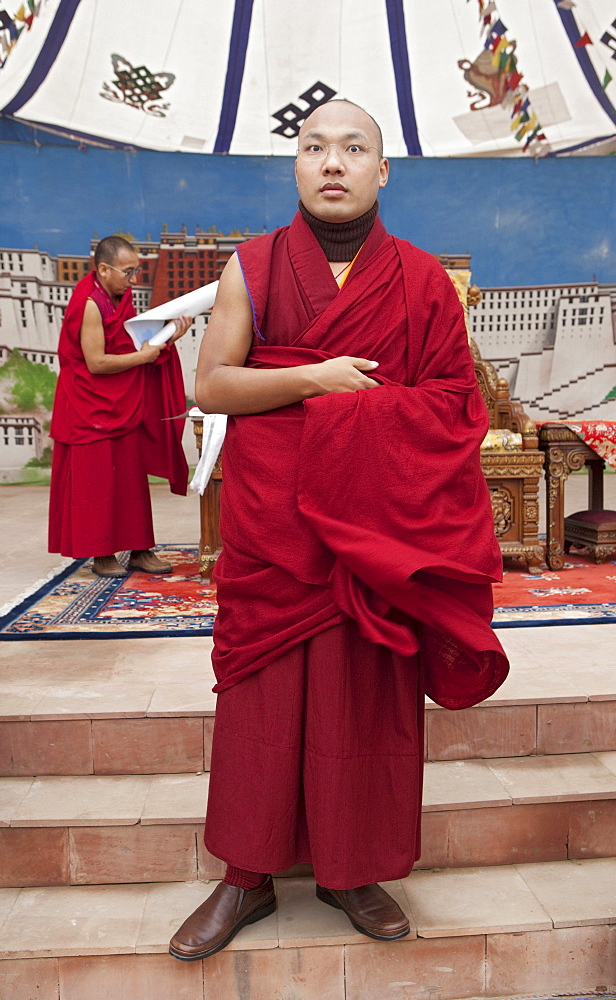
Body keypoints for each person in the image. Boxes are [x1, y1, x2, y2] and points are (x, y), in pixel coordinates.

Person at [169, 100, 509, 961]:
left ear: (381, 170)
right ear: (295, 168)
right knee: (265, 699)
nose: (332, 162)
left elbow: (454, 404)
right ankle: (245, 876)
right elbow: (212, 386)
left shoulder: (423, 279)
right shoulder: (253, 266)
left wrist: (354, 414)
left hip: (376, 533)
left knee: (365, 699)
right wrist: (317, 380)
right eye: (314, 147)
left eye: (353, 148)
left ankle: (352, 869)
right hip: (276, 528)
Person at [48, 235, 191, 577]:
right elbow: (95, 362)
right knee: (96, 482)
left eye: (136, 271)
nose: (134, 280)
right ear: (103, 269)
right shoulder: (90, 303)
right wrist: (143, 357)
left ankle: (140, 549)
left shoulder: (119, 294)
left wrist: (168, 337)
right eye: (128, 272)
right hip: (88, 404)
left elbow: (129, 341)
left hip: (120, 401)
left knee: (129, 477)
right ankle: (102, 554)